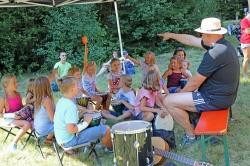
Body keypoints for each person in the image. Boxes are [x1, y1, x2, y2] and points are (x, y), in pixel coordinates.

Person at [158, 17, 240, 145]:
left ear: (209, 34)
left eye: (202, 33)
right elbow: (190, 39)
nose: (200, 35)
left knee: (169, 101)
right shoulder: (223, 45)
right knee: (180, 97)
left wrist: (179, 95)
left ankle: (191, 135)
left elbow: (194, 83)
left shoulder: (214, 53)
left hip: (212, 98)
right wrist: (171, 35)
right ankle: (194, 119)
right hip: (224, 96)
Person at [54, 76, 112, 151]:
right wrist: (86, 122)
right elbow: (71, 130)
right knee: (106, 129)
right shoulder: (70, 106)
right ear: (72, 89)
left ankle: (92, 146)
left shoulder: (61, 101)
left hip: (62, 139)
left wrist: (85, 112)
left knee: (94, 123)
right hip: (70, 141)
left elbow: (69, 120)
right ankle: (110, 149)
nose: (78, 87)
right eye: (77, 85)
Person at [0, 74, 31, 151]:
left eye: (16, 82)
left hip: (19, 116)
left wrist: (27, 106)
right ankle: (13, 143)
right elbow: (0, 114)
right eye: (14, 82)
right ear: (5, 85)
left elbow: (20, 107)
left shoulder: (18, 94)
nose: (17, 84)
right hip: (9, 119)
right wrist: (12, 115)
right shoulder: (3, 98)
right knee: (27, 124)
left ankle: (46, 135)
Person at [33, 76, 55, 144]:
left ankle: (49, 137)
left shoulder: (38, 98)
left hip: (37, 128)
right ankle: (48, 138)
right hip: (44, 129)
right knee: (65, 125)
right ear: (47, 86)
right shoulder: (47, 100)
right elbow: (53, 119)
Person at [240, 12, 250, 79]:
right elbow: (247, 31)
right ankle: (245, 75)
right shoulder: (244, 21)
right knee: (246, 58)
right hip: (246, 41)